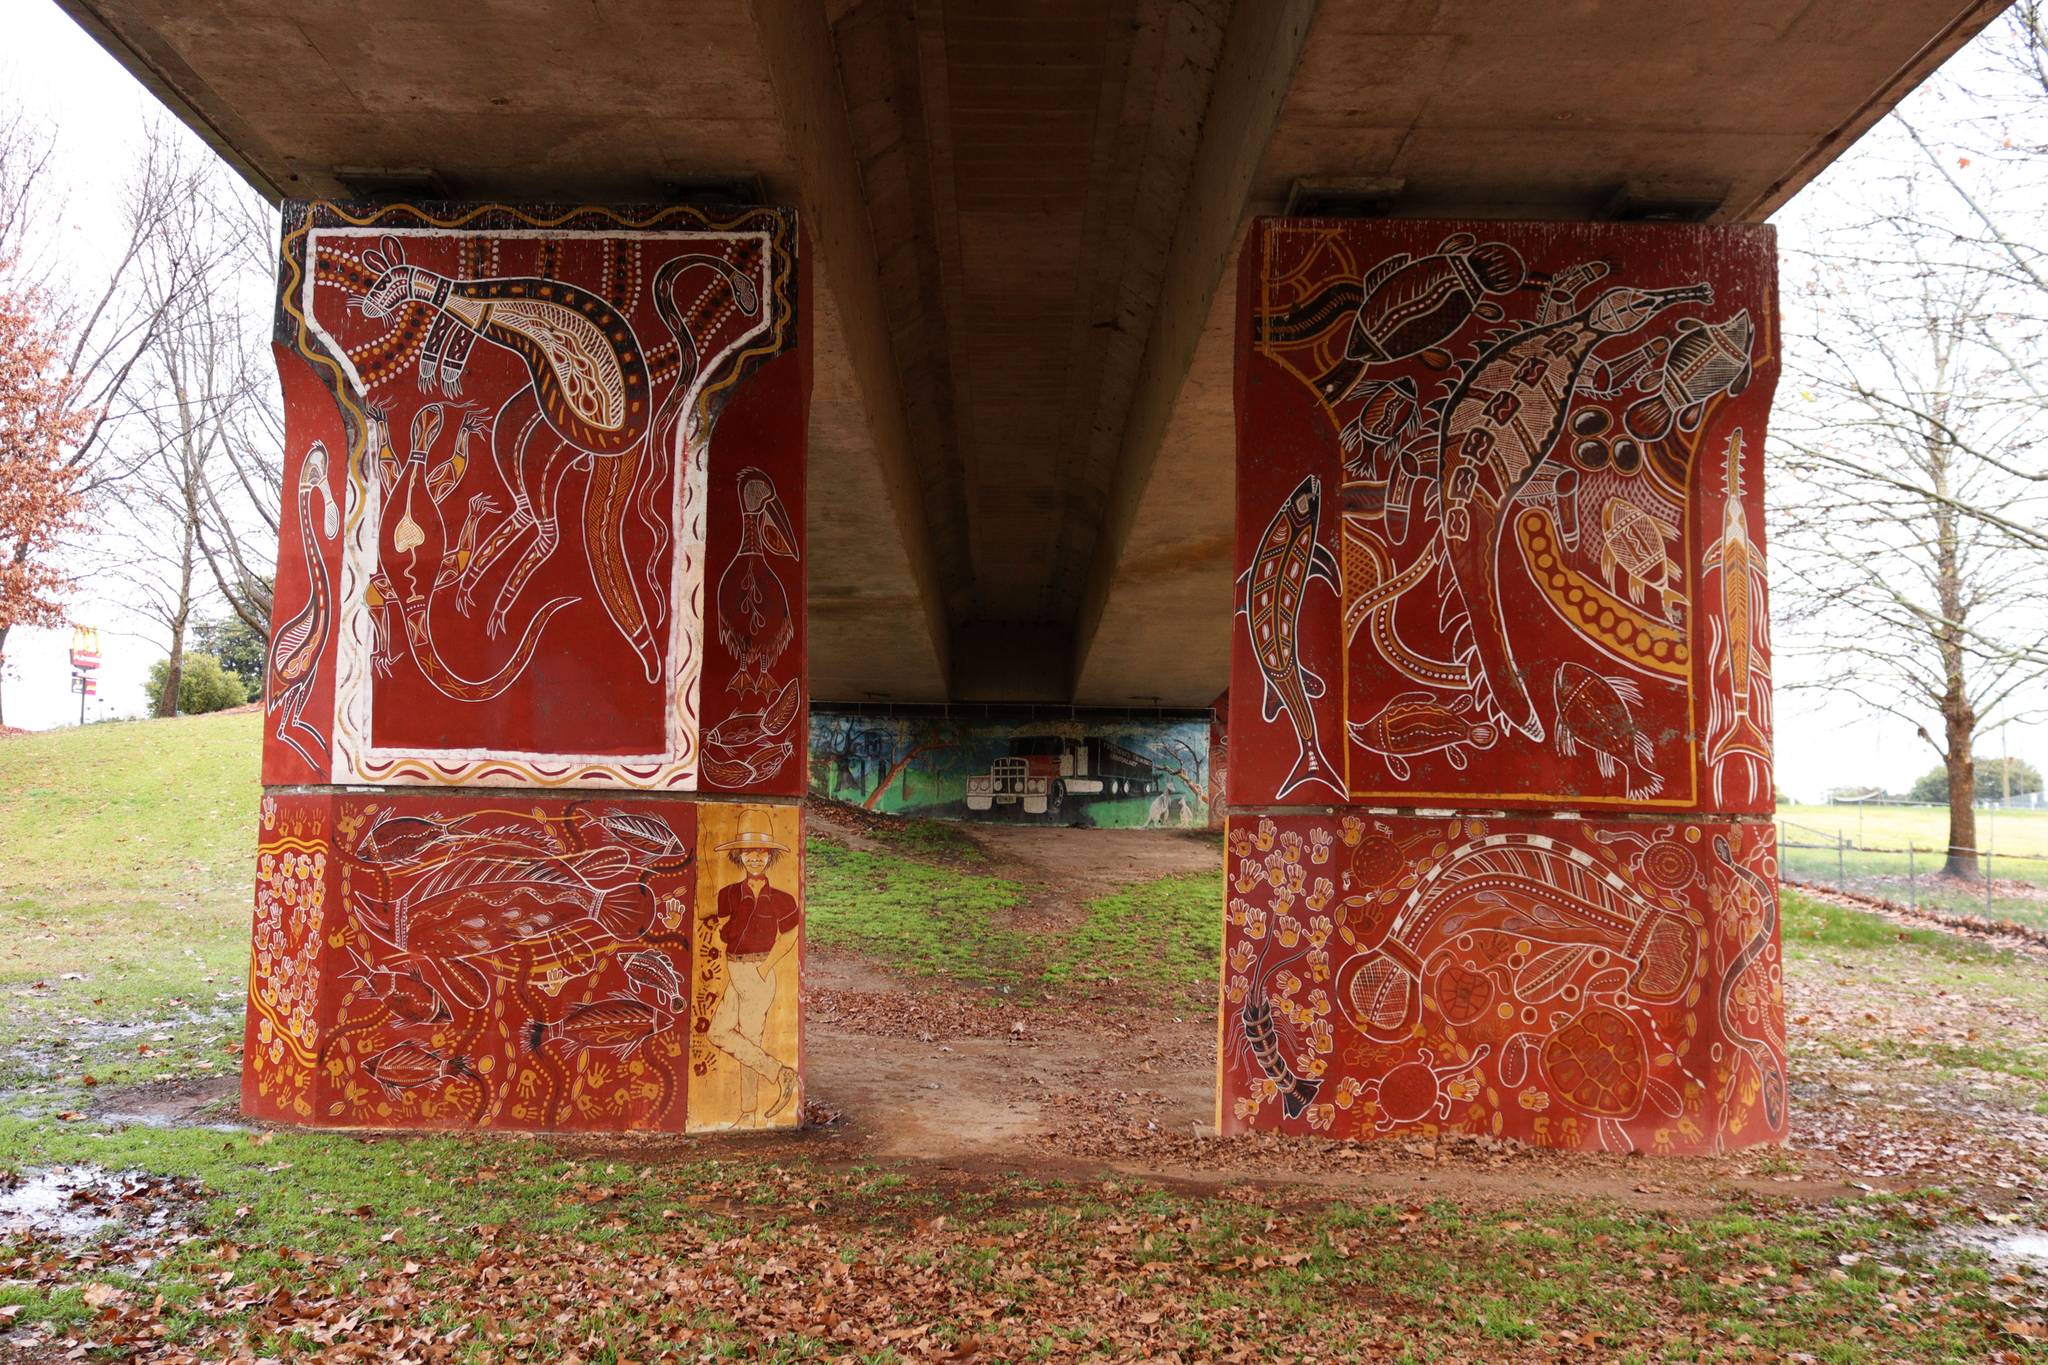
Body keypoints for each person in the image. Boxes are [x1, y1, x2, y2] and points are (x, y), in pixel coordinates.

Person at [705, 809, 801, 1119]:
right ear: (740, 856)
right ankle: (779, 1073)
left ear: (770, 856)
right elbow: (709, 915)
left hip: (757, 973)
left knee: (748, 1040)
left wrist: (764, 968)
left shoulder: (783, 899)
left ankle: (748, 1112)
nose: (755, 858)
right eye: (749, 852)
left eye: (761, 852)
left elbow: (789, 936)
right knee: (719, 1033)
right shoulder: (731, 893)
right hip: (736, 971)